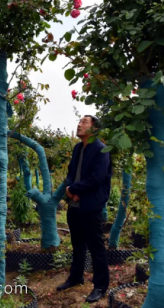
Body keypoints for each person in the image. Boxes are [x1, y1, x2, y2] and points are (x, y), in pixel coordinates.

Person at [57, 115, 112, 303]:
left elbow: (97, 178)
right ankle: (76, 277)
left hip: (91, 206)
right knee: (77, 245)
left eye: (84, 122)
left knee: (96, 247)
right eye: (79, 121)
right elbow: (71, 173)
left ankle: (100, 286)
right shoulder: (77, 148)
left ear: (94, 128)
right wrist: (69, 191)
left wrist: (74, 189)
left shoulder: (102, 149)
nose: (79, 124)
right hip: (74, 205)